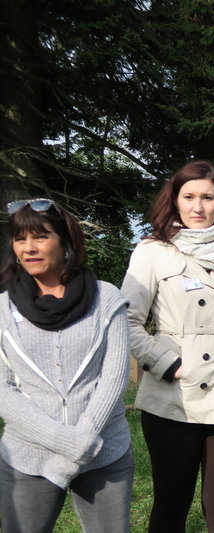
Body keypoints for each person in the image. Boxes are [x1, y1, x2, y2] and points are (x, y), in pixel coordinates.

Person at [120, 161, 214, 532]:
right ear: (175, 200)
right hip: (174, 394)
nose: (198, 207)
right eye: (189, 197)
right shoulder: (153, 251)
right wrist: (167, 364)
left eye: (208, 197)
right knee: (171, 505)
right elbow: (125, 320)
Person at [0, 198, 132, 532]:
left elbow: (114, 377)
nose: (29, 248)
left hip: (104, 450)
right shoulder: (2, 309)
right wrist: (68, 443)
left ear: (65, 241)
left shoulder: (106, 298)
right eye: (20, 239)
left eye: (41, 236)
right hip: (28, 456)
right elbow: (3, 390)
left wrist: (85, 439)